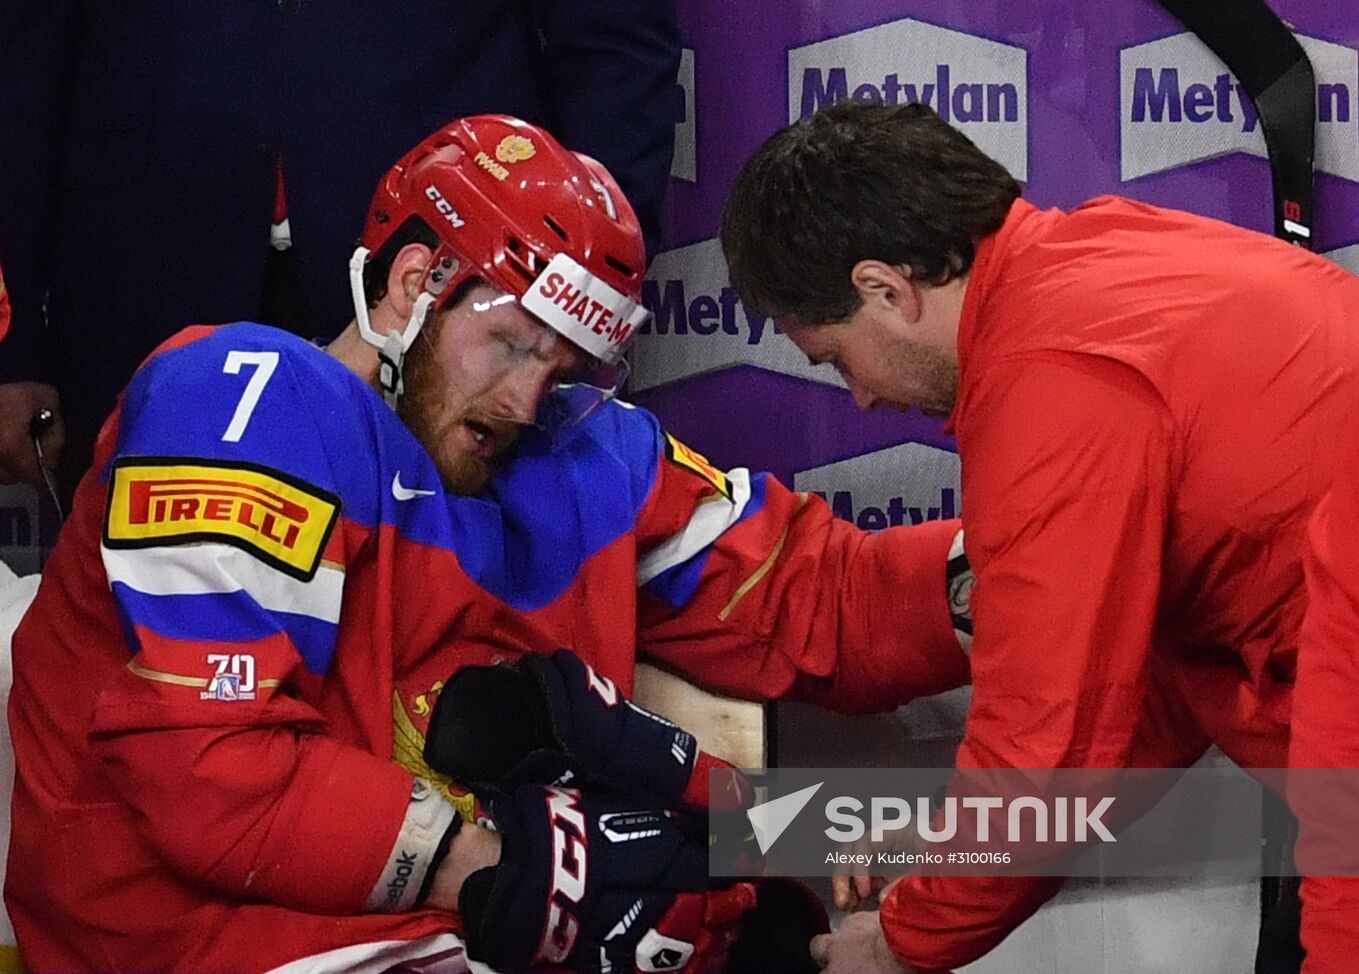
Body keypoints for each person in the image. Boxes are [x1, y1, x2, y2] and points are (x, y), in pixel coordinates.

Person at [7, 114, 973, 974]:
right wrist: (531, 875)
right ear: (416, 281)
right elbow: (210, 766)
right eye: (513, 342)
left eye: (561, 365)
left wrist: (1007, 577)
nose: (524, 398)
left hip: (476, 929)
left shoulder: (585, 448)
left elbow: (820, 598)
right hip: (215, 938)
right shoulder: (242, 396)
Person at [719, 99, 1359, 974]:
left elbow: (1046, 756)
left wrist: (901, 946)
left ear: (885, 291)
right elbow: (1138, 706)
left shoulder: (1047, 385)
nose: (860, 397)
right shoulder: (1098, 255)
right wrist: (951, 849)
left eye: (835, 357)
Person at [0, 0, 681, 505]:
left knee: (443, 644)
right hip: (141, 271)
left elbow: (613, 43)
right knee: (146, 641)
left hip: (446, 276)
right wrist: (12, 347)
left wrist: (578, 291)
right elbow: (20, 60)